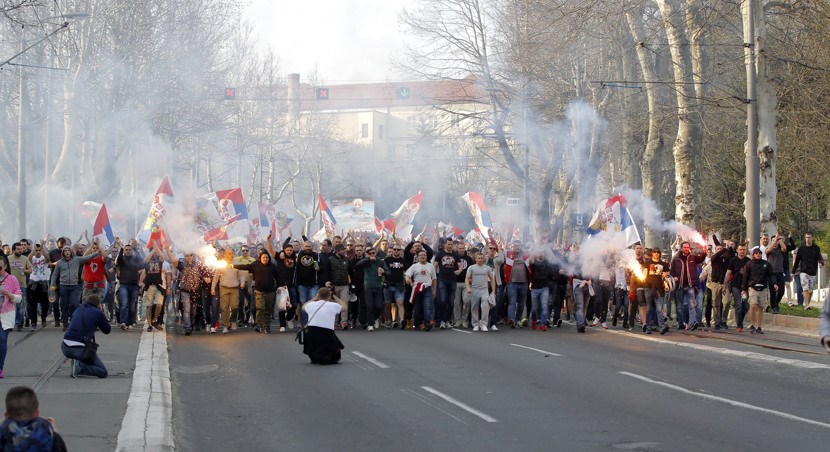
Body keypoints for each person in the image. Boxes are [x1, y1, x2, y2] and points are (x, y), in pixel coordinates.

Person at [0, 386, 67, 451]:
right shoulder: (47, 431)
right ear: (37, 413)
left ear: (6, 416)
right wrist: (54, 432)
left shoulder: (3, 431)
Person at [61, 294, 111, 378]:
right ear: (98, 305)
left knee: (83, 354)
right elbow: (107, 330)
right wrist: (102, 314)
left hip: (65, 346)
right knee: (103, 372)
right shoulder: (98, 313)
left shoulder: (78, 310)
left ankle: (77, 362)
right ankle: (79, 367)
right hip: (79, 349)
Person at [301, 288, 344, 365]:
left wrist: (314, 298)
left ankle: (315, 356)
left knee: (313, 339)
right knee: (336, 352)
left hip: (312, 336)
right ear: (329, 296)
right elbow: (345, 307)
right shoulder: (333, 305)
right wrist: (334, 296)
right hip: (327, 336)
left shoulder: (311, 305)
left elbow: (303, 306)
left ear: (318, 295)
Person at [741, 247, 777, 334]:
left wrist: (774, 283)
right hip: (753, 288)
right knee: (753, 305)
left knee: (761, 307)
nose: (758, 254)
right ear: (753, 255)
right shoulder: (749, 264)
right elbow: (745, 277)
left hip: (763, 288)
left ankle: (759, 326)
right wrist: (743, 289)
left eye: (760, 253)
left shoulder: (766, 264)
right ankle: (752, 325)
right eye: (756, 253)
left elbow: (771, 275)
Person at [0, 255, 23, 379]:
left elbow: (19, 298)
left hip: (6, 315)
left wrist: (9, 294)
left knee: (2, 340)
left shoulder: (12, 279)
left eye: (0, 268)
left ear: (5, 267)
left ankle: (0, 368)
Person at [792, 232, 824, 310]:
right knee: (805, 288)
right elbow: (796, 261)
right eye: (806, 237)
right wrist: (793, 271)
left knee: (810, 290)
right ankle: (806, 305)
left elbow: (820, 258)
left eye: (809, 237)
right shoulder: (801, 249)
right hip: (803, 271)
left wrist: (820, 263)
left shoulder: (816, 248)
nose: (808, 239)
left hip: (813, 272)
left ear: (812, 238)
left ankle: (807, 304)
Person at [465, 252, 496, 332]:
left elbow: (492, 279)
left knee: (485, 307)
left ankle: (484, 324)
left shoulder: (487, 268)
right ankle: (475, 324)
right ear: (475, 259)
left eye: (481, 258)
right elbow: (467, 279)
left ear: (483, 259)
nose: (480, 260)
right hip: (474, 290)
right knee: (474, 307)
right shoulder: (471, 268)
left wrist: (493, 291)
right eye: (478, 258)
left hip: (484, 290)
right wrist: (468, 288)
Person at [27, 243, 51, 330]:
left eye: (39, 250)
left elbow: (48, 259)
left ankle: (43, 317)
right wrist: (34, 249)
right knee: (33, 304)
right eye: (36, 251)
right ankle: (33, 323)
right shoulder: (32, 258)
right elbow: (28, 258)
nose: (38, 252)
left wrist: (42, 247)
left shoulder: (43, 258)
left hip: (43, 283)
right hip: (33, 283)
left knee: (45, 304)